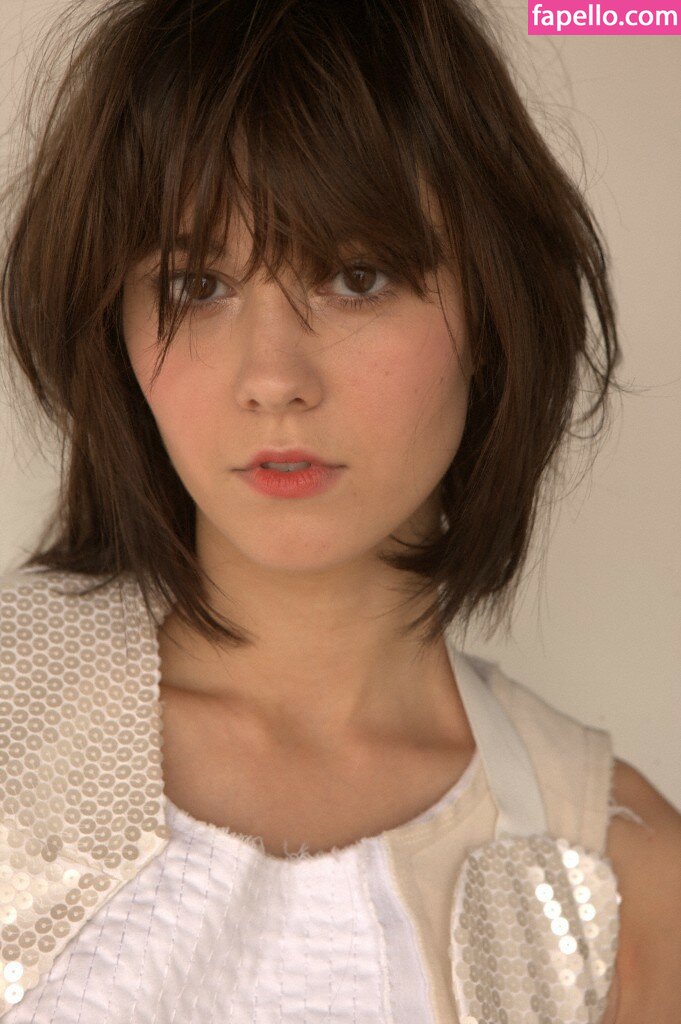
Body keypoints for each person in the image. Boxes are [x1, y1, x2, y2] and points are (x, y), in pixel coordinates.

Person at [0, 0, 679, 1020]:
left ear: (494, 310)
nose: (274, 377)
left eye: (357, 277)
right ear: (114, 330)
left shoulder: (622, 882)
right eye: (196, 284)